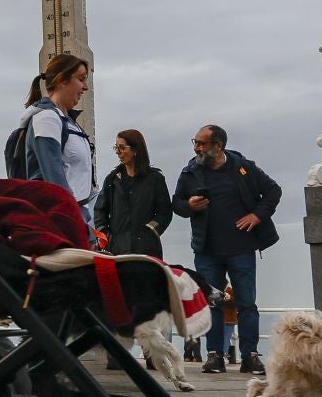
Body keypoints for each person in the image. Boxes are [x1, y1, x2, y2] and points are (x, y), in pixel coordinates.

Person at [171, 124, 281, 376]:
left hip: (241, 247)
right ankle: (214, 356)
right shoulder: (190, 171)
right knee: (211, 303)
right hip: (206, 249)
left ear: (218, 146)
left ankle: (250, 356)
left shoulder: (244, 168)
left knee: (247, 303)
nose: (196, 148)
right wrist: (189, 204)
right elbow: (176, 203)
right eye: (195, 142)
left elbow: (273, 191)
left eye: (201, 143)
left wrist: (257, 215)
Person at [16, 53, 95, 227]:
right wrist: (74, 223)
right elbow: (54, 178)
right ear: (62, 80)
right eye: (81, 79)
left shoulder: (68, 123)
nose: (86, 87)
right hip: (59, 221)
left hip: (76, 218)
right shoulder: (46, 119)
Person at [94, 128, 173, 256]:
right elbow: (100, 210)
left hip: (147, 252)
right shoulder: (112, 180)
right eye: (116, 148)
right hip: (117, 251)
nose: (118, 152)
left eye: (122, 148)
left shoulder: (155, 179)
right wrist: (104, 233)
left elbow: (165, 212)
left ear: (135, 150)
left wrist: (149, 232)